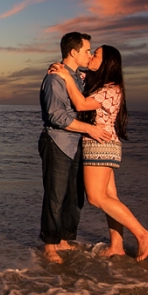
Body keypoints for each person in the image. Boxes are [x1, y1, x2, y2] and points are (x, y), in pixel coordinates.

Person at [50, 45, 148, 261]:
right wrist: (62, 69)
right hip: (104, 144)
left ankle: (143, 235)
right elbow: (73, 73)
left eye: (95, 54)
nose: (90, 57)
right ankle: (116, 245)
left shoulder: (111, 89)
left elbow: (80, 104)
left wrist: (66, 78)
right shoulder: (103, 84)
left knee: (96, 198)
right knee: (110, 197)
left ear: (107, 62)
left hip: (100, 145)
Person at [39, 32, 112, 264]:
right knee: (55, 195)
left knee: (74, 196)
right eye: (87, 51)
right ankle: (49, 245)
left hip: (77, 143)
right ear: (73, 52)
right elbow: (55, 116)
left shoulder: (79, 77)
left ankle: (64, 239)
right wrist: (89, 129)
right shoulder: (54, 79)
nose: (89, 56)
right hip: (58, 141)